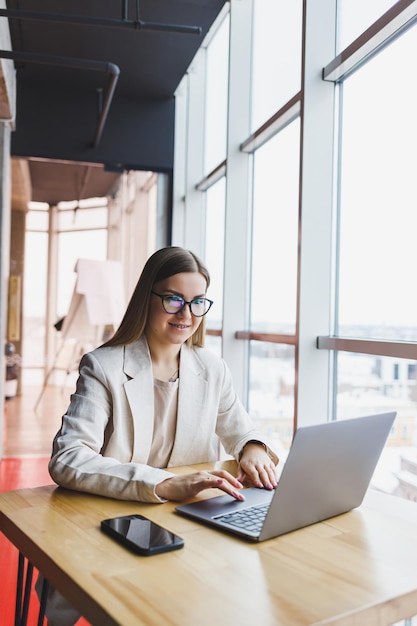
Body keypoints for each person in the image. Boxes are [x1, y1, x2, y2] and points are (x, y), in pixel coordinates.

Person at [41, 246, 279, 625]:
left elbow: (239, 426)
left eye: (197, 301)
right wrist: (165, 484)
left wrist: (251, 447)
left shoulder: (211, 368)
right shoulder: (103, 366)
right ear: (147, 299)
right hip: (117, 518)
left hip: (188, 523)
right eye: (173, 299)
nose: (186, 314)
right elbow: (68, 458)